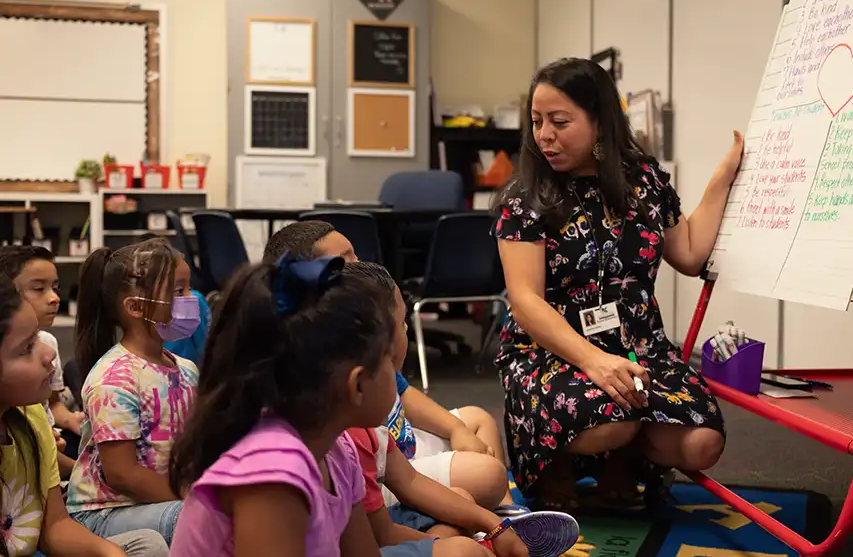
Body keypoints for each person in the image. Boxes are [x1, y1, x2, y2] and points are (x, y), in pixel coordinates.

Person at [492, 58, 741, 510]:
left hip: (638, 347)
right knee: (609, 420)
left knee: (703, 444)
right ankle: (563, 461)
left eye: (559, 122)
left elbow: (687, 252)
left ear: (600, 121)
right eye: (536, 121)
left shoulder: (643, 180)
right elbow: (525, 302)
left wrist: (722, 180)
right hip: (551, 351)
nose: (543, 135)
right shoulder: (525, 198)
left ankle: (625, 450)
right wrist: (594, 361)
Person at [262, 222, 520, 511]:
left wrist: (456, 428)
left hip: (401, 447)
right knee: (484, 474)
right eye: (345, 260)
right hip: (385, 471)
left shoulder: (363, 335)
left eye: (355, 254)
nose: (358, 264)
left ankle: (507, 510)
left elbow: (403, 393)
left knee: (478, 419)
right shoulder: (332, 357)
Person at [167, 258, 398, 557]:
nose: (396, 371)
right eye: (388, 359)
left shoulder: (337, 451)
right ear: (358, 384)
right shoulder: (272, 471)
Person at [345, 263, 577, 557]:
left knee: (462, 504)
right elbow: (376, 541)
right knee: (465, 547)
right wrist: (467, 545)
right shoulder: (348, 442)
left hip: (376, 529)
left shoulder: (364, 428)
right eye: (403, 322)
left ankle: (493, 526)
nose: (399, 393)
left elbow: (408, 484)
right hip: (366, 541)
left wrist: (493, 526)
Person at [0, 273, 169, 556]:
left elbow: (55, 526)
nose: (48, 354)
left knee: (147, 546)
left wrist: (109, 553)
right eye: (27, 348)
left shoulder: (31, 417)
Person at [66, 240, 199, 545]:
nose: (191, 300)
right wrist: (193, 499)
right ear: (136, 306)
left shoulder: (187, 369)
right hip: (103, 513)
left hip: (158, 501)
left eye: (189, 289)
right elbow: (122, 474)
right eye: (178, 292)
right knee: (197, 518)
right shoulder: (114, 378)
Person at [0, 246, 83, 478]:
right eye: (39, 289)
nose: (54, 298)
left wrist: (69, 420)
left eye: (55, 288)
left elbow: (52, 404)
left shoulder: (48, 343)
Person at [136, 235, 211, 366]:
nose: (191, 297)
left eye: (189, 287)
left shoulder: (195, 301)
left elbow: (208, 353)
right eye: (178, 290)